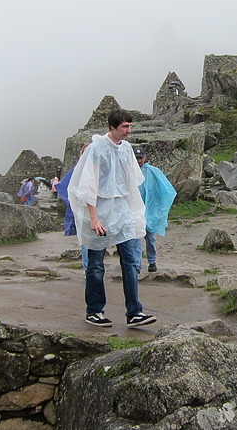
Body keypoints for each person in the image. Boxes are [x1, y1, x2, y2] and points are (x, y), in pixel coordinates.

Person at [67, 109, 156, 328]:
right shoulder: (96, 149)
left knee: (130, 261)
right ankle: (94, 311)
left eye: (130, 126)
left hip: (121, 211)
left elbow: (131, 182)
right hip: (99, 212)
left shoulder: (126, 149)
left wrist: (136, 213)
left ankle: (134, 312)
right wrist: (94, 217)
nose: (129, 131)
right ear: (112, 127)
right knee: (96, 265)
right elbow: (88, 184)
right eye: (125, 127)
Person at [133, 146, 177, 273]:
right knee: (135, 238)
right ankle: (136, 264)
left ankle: (152, 262)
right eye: (136, 158)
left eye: (140, 158)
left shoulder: (153, 171)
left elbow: (166, 190)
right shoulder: (130, 171)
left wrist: (159, 208)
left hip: (149, 211)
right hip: (135, 211)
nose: (138, 161)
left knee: (150, 238)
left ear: (145, 157)